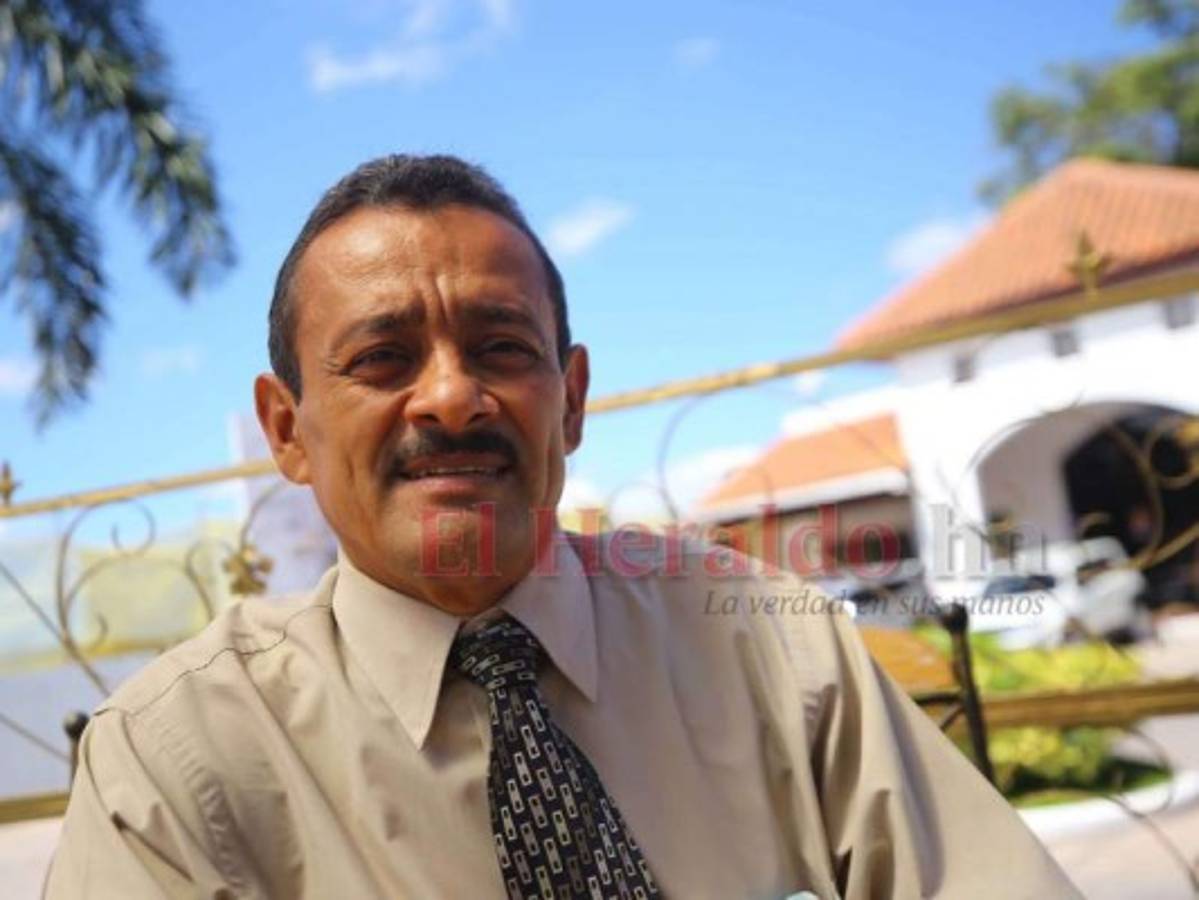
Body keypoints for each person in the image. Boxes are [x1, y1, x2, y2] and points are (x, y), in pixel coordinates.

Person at [47, 154, 1080, 899]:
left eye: (500, 348)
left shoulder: (767, 643)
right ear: (286, 430)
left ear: (571, 400)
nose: (451, 400)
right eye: (381, 359)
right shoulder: (179, 761)